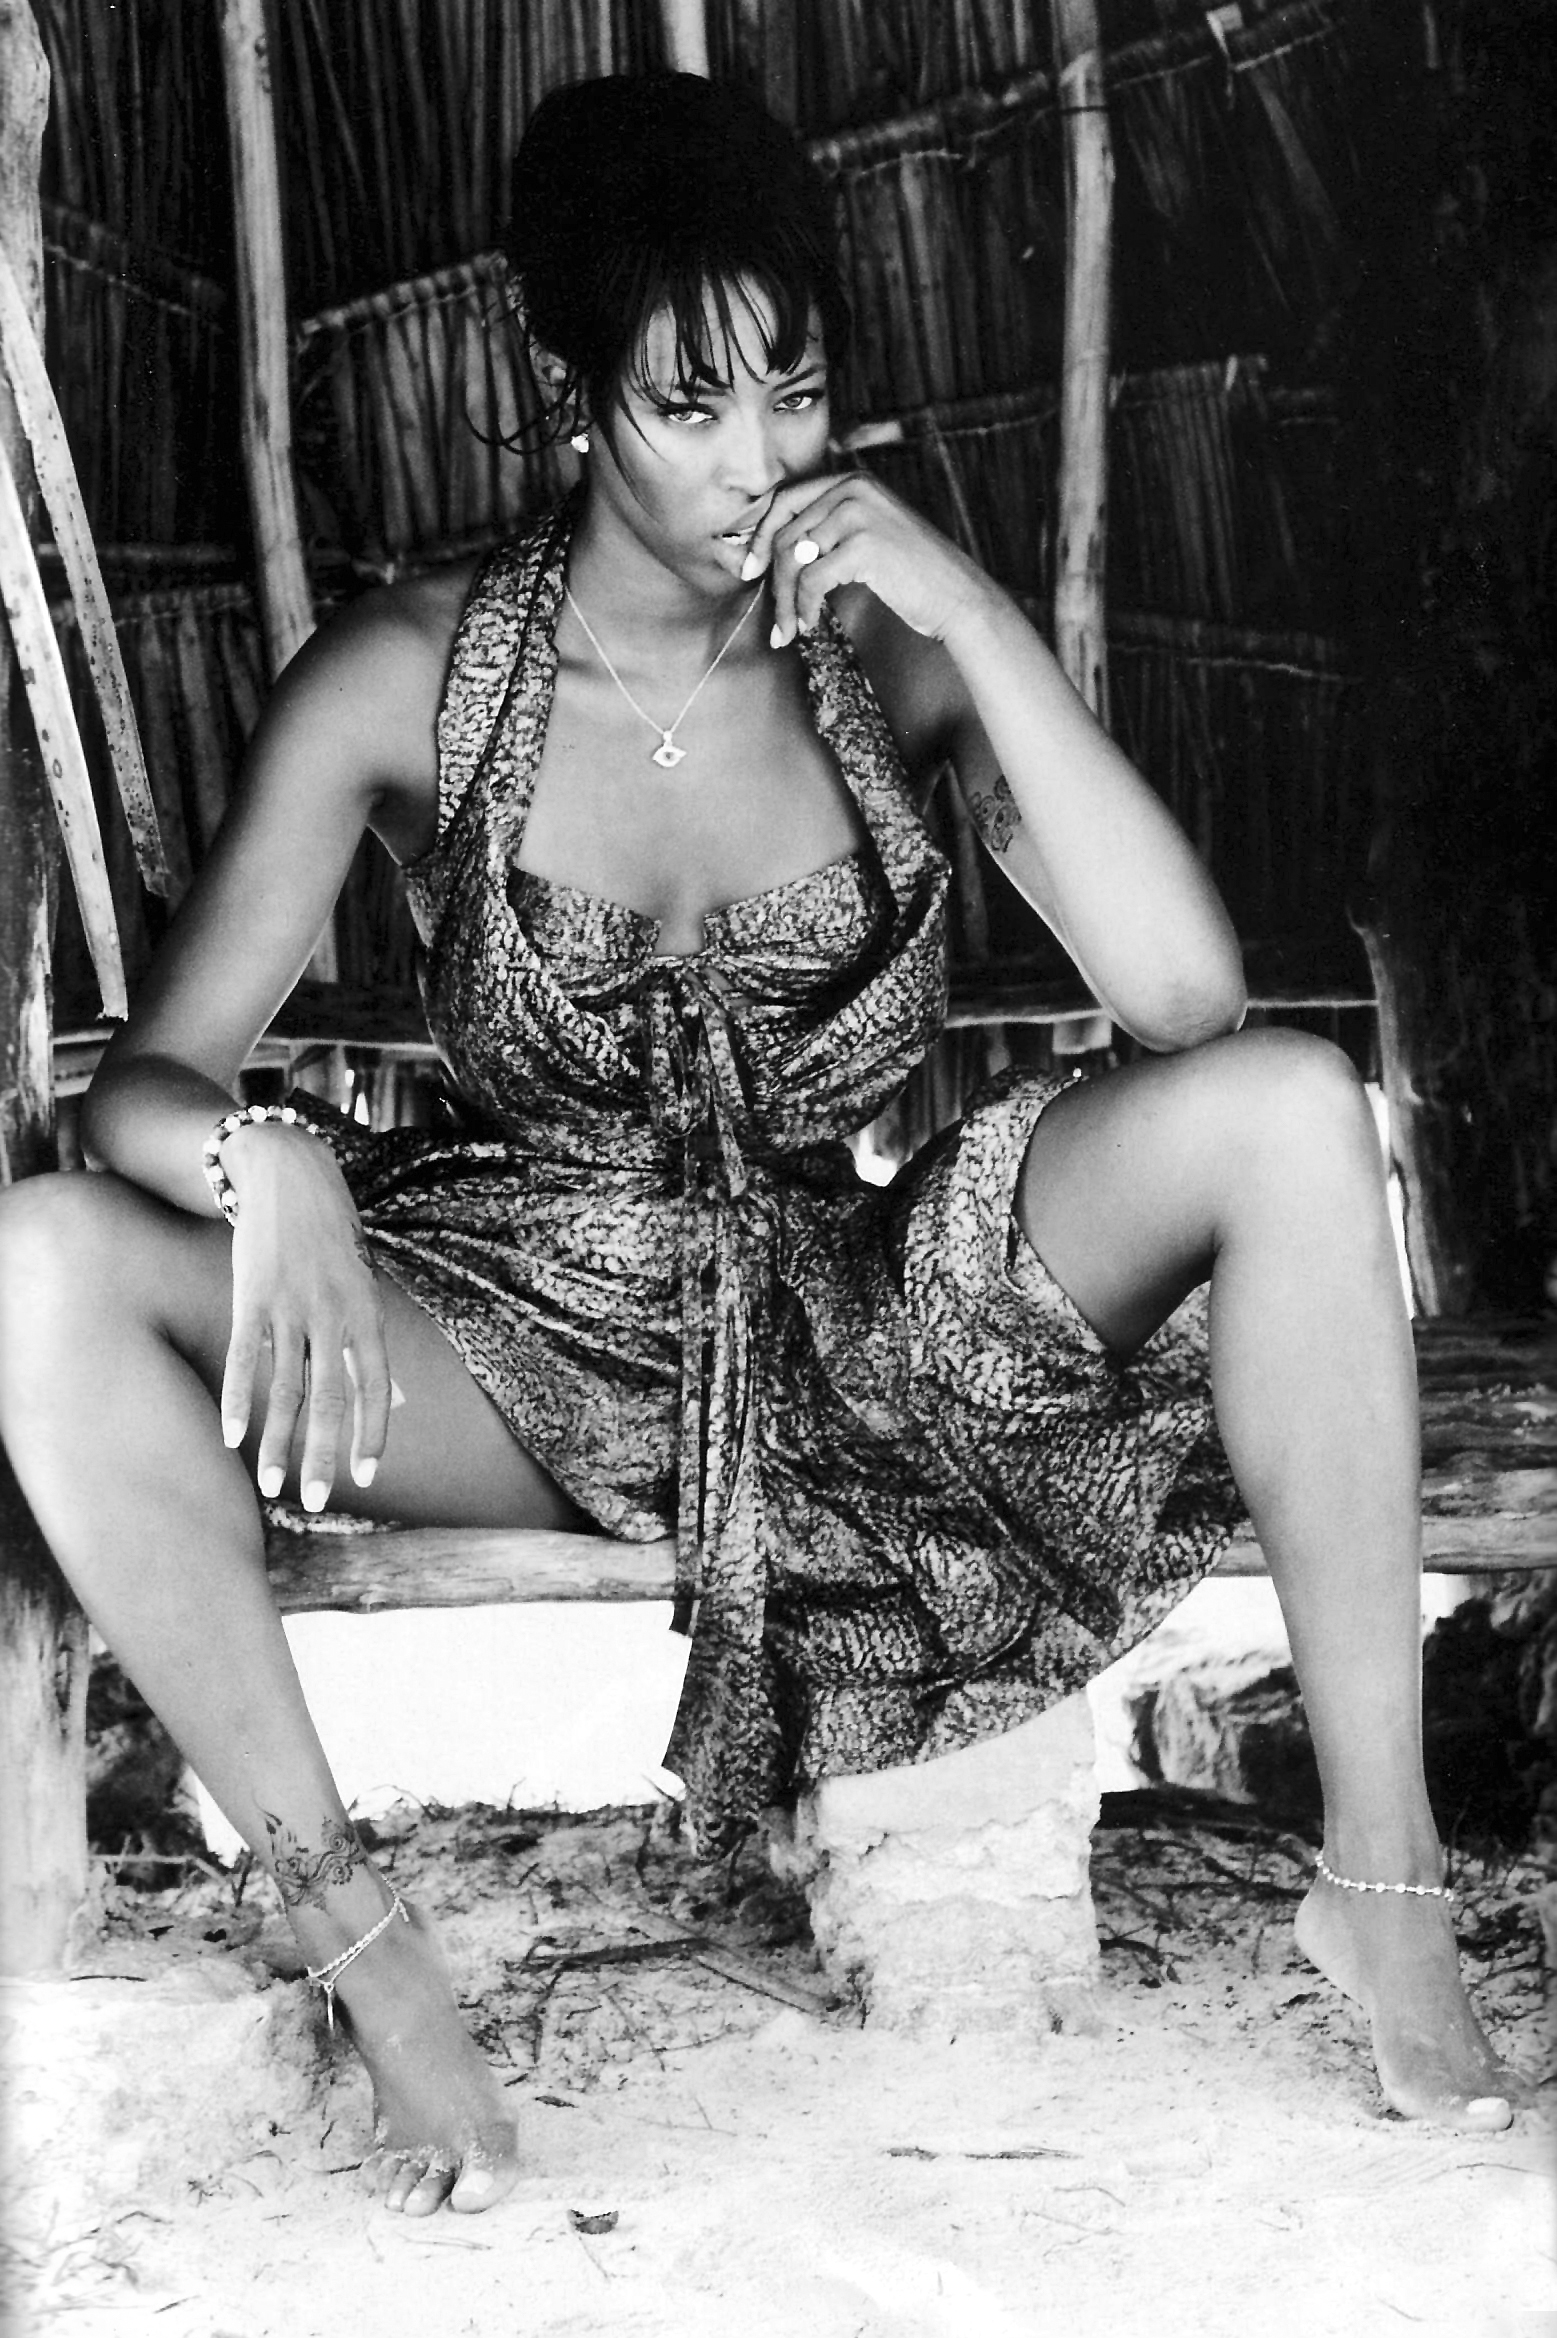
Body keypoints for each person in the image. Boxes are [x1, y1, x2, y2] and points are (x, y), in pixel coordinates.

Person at [0, 71, 1519, 2219]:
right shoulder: (405, 677)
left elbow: (1186, 1002)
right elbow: (143, 1083)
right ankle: (359, 1942)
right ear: (567, 396)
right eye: (687, 403)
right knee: (38, 1262)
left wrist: (968, 611)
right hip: (527, 1326)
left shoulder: (882, 642)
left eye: (791, 390)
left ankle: (1382, 1880)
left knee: (1282, 1109)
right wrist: (277, 1162)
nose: (758, 459)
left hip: (859, 1307)